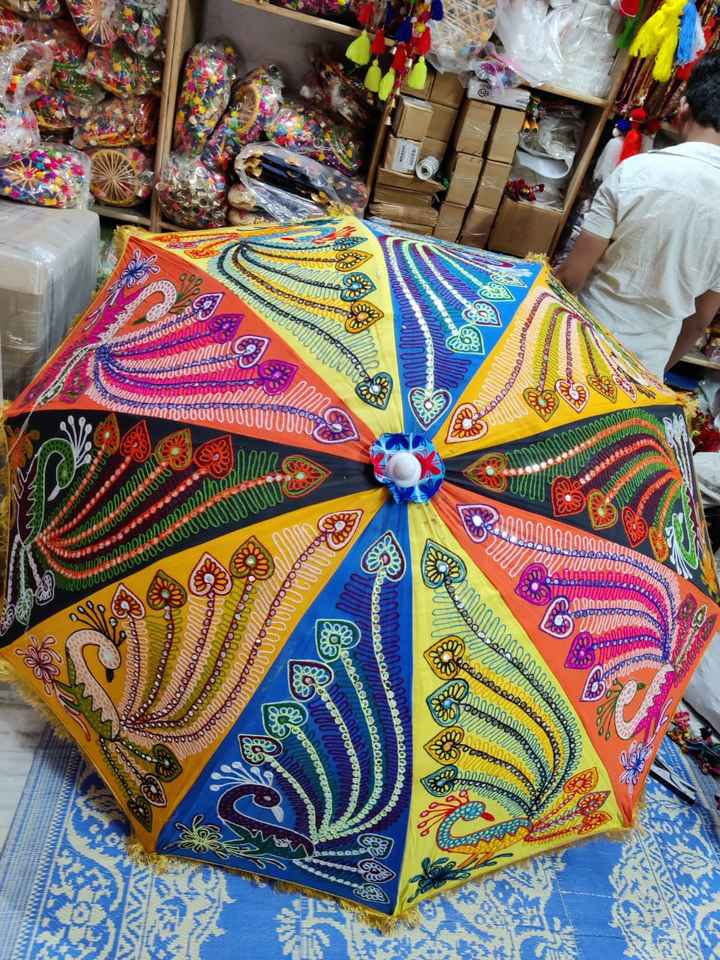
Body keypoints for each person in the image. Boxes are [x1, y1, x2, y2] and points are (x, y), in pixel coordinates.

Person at [555, 52, 720, 382]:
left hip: (580, 347)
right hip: (645, 371)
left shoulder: (635, 171)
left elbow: (571, 277)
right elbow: (699, 321)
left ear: (684, 108)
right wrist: (657, 372)